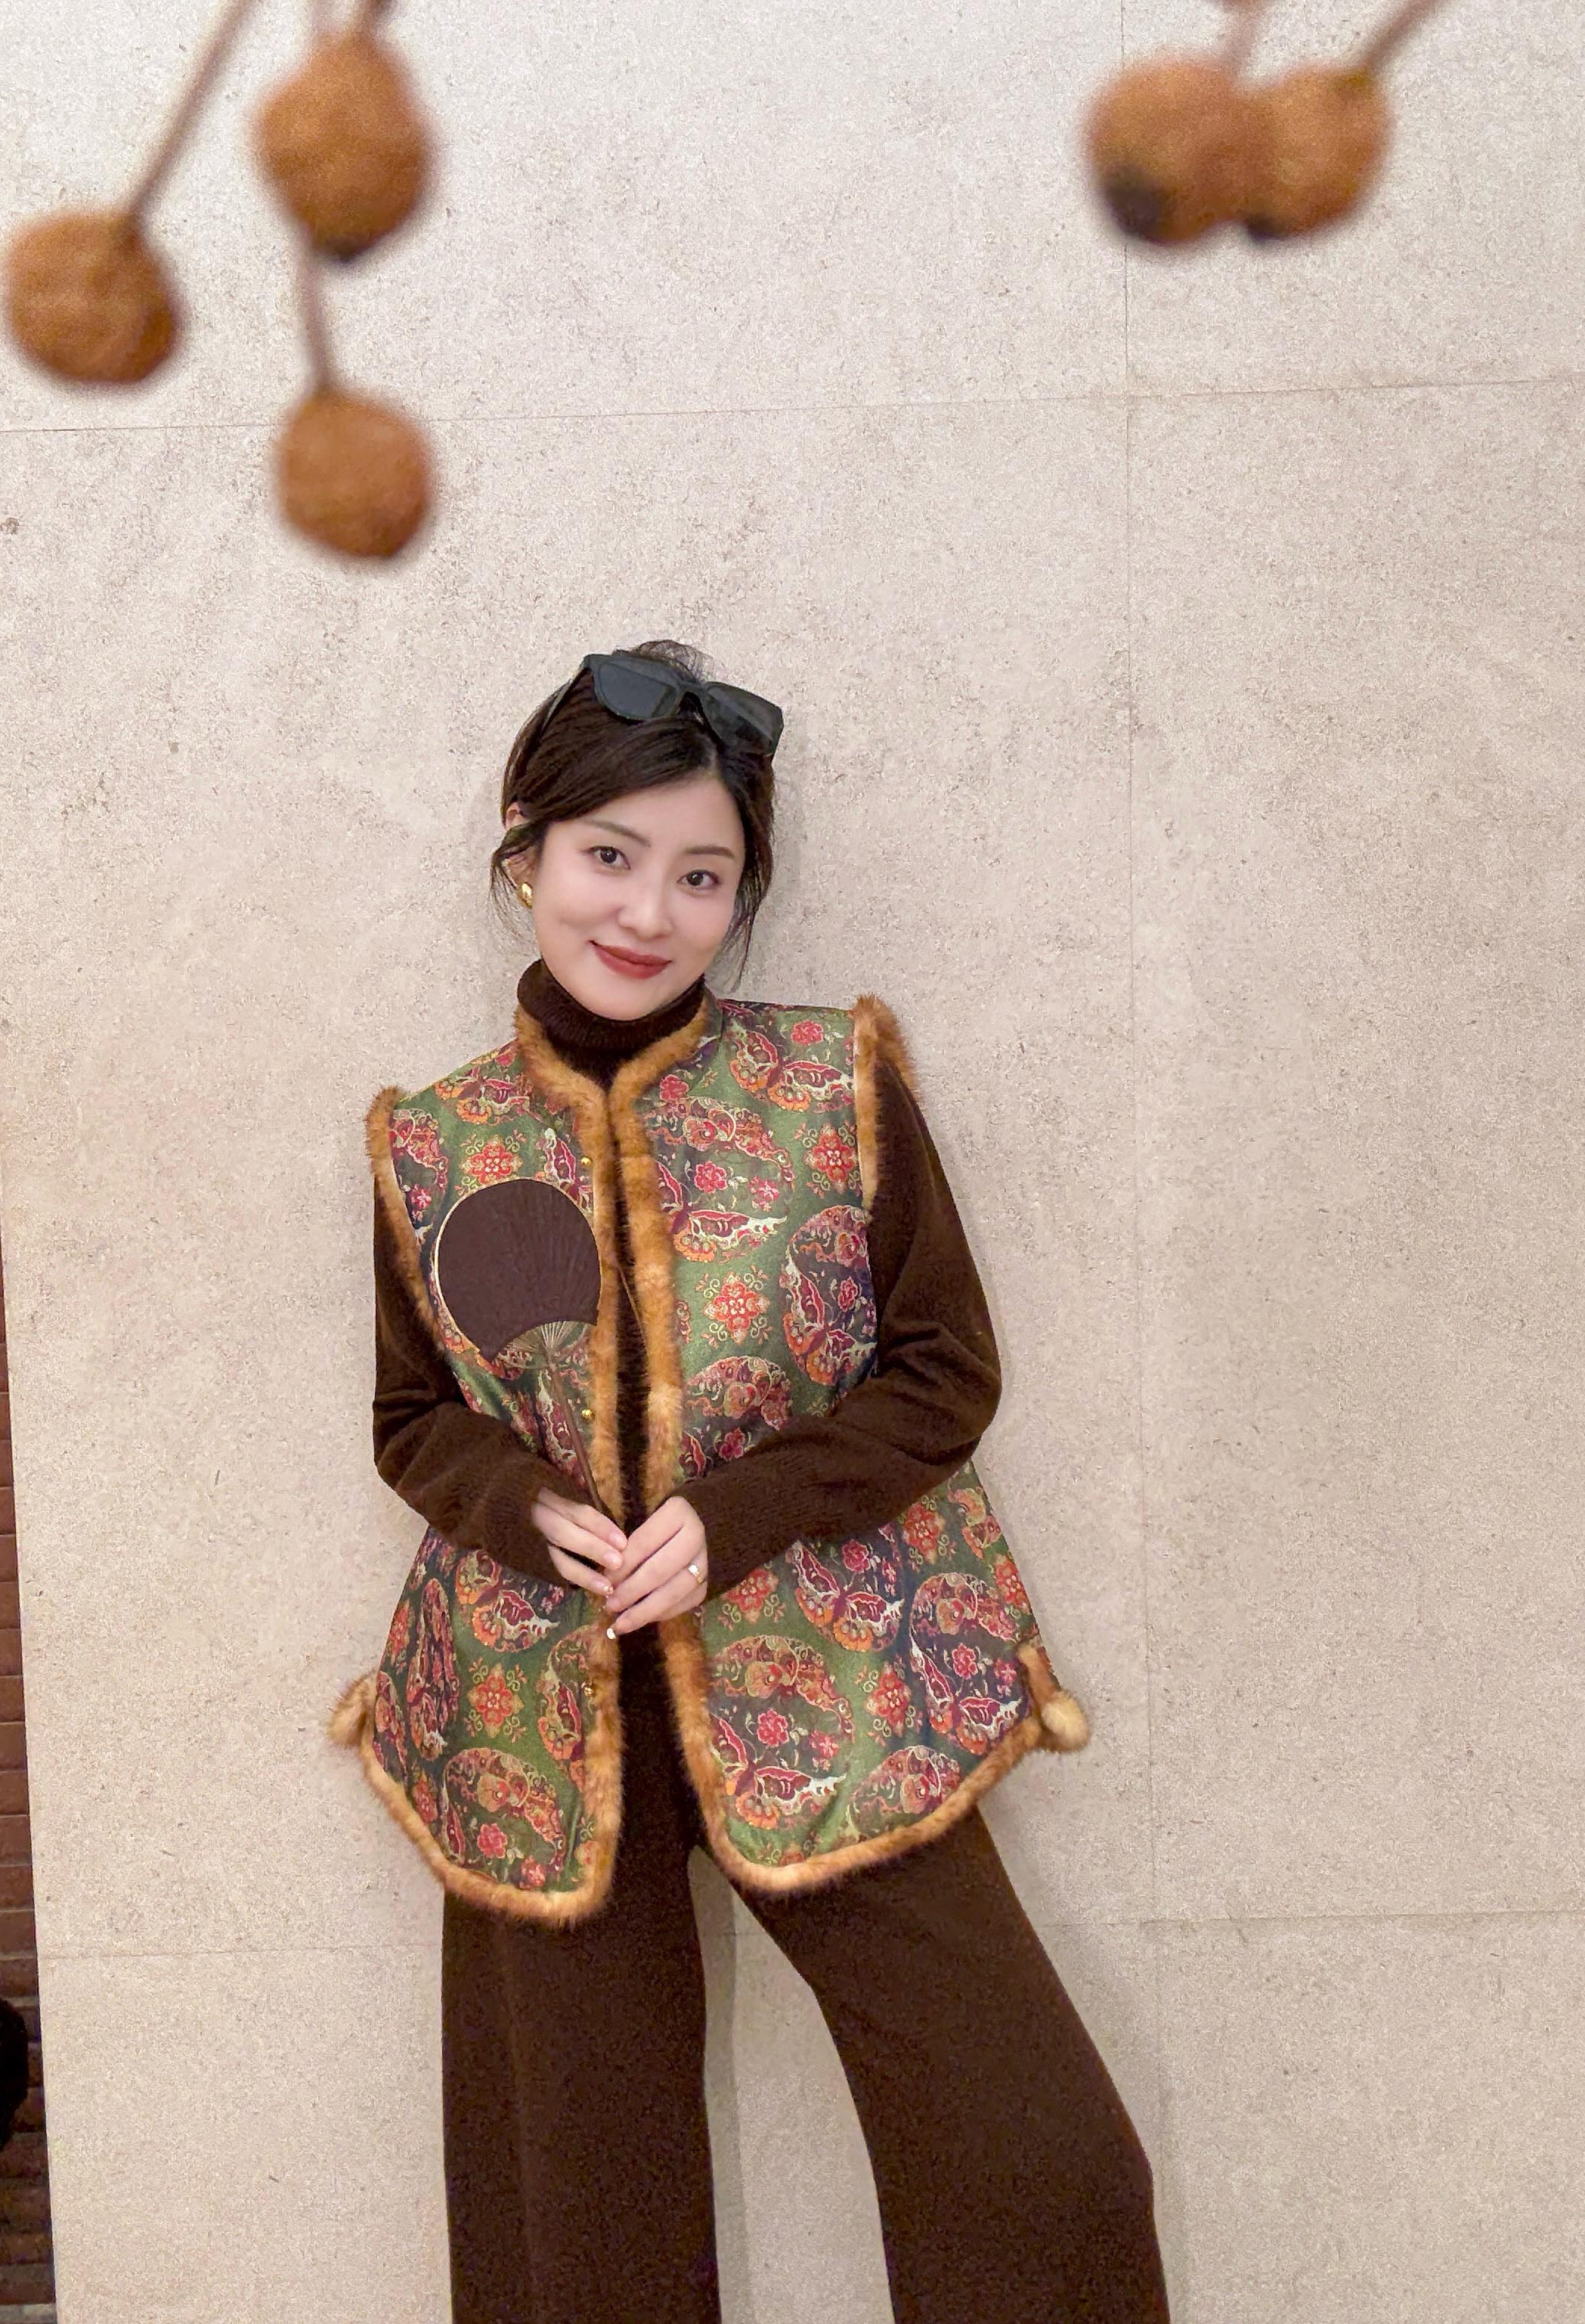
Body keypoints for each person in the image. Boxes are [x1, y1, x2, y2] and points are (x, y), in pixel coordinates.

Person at [330, 640, 1169, 2324]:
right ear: (526, 856)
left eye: (702, 874)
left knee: (1039, 2156)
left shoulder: (831, 1084)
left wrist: (735, 1518)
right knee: (582, 2225)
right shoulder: (434, 1138)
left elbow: (943, 1370)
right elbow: (412, 1415)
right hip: (537, 1710)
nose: (649, 911)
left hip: (830, 1676)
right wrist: (518, 1505)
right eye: (610, 855)